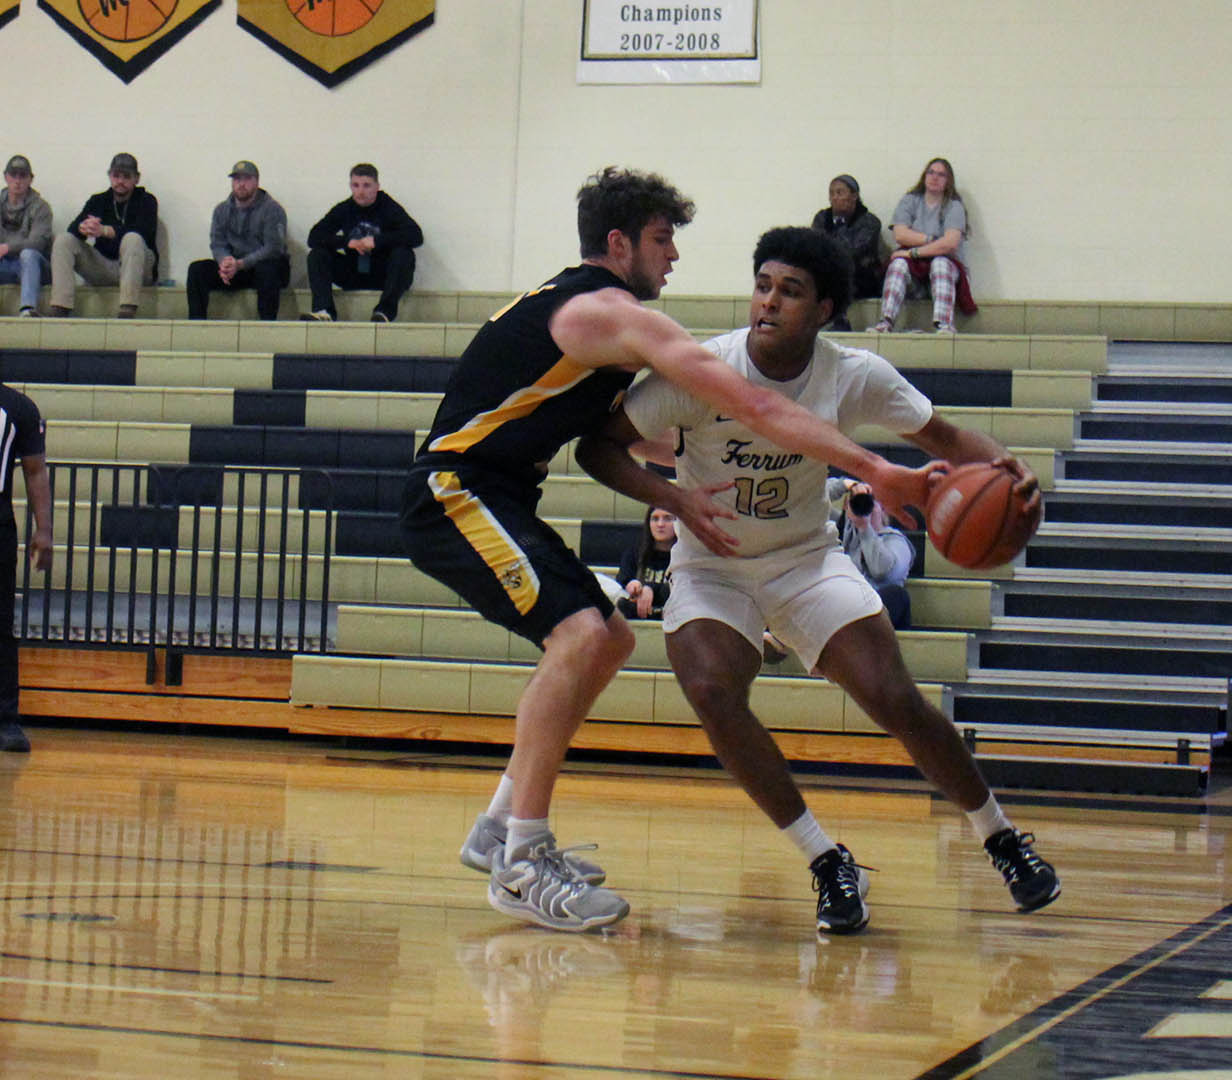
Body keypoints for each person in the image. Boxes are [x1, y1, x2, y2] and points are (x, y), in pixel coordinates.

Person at [409, 168, 939, 934]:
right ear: (619, 244)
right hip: (455, 491)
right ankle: (522, 860)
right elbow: (753, 404)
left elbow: (672, 433)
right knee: (584, 635)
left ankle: (499, 825)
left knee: (608, 638)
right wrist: (877, 468)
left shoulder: (575, 309)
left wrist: (681, 488)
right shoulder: (615, 314)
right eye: (663, 240)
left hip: (493, 490)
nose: (674, 258)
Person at [577, 225, 1059, 937]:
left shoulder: (852, 374)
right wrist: (673, 499)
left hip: (804, 557)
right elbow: (597, 446)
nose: (769, 302)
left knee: (894, 697)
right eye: (763, 284)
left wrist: (1011, 468)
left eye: (791, 291)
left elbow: (949, 441)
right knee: (712, 688)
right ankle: (827, 860)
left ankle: (1001, 837)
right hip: (712, 562)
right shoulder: (702, 369)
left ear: (825, 309)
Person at [0, 383, 53, 752]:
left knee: (0, 624)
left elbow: (35, 472)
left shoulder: (17, 407)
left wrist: (44, 529)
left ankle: (6, 720)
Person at [303, 163, 424, 323]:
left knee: (404, 254)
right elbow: (314, 237)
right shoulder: (345, 208)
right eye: (356, 185)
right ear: (350, 186)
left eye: (367, 185)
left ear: (377, 187)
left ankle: (384, 312)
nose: (360, 191)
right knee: (317, 255)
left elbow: (416, 235)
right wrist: (347, 242)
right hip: (353, 273)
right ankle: (324, 311)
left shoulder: (388, 206)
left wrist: (377, 241)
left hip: (383, 274)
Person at [868, 158, 976, 334]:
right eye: (931, 172)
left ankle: (944, 325)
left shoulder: (954, 206)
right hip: (916, 278)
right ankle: (885, 322)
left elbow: (949, 245)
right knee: (898, 264)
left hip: (947, 274)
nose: (935, 177)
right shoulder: (910, 200)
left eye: (941, 174)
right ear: (924, 176)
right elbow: (900, 234)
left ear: (948, 181)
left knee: (939, 263)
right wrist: (933, 239)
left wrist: (913, 252)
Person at [48, 152, 158, 319]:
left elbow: (144, 232)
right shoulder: (99, 200)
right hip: (105, 266)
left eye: (126, 176)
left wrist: (105, 231)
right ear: (109, 176)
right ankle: (60, 306)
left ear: (136, 178)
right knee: (64, 240)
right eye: (116, 176)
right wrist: (84, 228)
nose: (120, 181)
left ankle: (128, 307)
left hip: (139, 267)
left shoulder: (146, 200)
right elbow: (73, 230)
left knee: (133, 239)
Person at [185, 161, 290, 321]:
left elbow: (273, 248)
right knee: (197, 270)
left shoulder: (272, 209)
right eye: (237, 179)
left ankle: (267, 327)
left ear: (257, 181)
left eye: (247, 179)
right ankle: (196, 326)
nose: (241, 184)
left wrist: (240, 264)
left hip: (262, 267)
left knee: (268, 269)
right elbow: (217, 243)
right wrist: (224, 261)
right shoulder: (221, 210)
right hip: (235, 268)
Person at [828, 476, 913, 629]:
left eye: (871, 503)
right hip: (843, 607)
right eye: (859, 503)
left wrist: (864, 529)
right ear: (848, 508)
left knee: (897, 595)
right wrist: (846, 485)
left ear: (883, 508)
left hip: (876, 613)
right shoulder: (841, 531)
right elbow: (807, 503)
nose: (865, 510)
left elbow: (883, 572)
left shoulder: (896, 541)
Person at [809, 174, 884, 330]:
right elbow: (815, 247)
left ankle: (839, 318)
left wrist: (837, 232)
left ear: (854, 196)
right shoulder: (822, 218)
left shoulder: (870, 222)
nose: (835, 198)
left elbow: (854, 251)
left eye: (840, 192)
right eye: (831, 193)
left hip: (862, 276)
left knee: (839, 268)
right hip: (829, 271)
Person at [0, 155, 53, 317]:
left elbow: (37, 243)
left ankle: (28, 309)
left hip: (34, 268)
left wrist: (7, 247)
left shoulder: (41, 207)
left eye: (22, 176)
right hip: (5, 266)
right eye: (13, 175)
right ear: (5, 177)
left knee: (28, 254)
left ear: (31, 179)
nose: (17, 180)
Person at [615, 505, 676, 619]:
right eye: (655, 519)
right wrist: (632, 585)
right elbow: (622, 579)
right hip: (638, 605)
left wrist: (650, 588)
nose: (660, 524)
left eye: (667, 518)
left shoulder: (685, 556)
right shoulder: (634, 552)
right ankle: (657, 614)